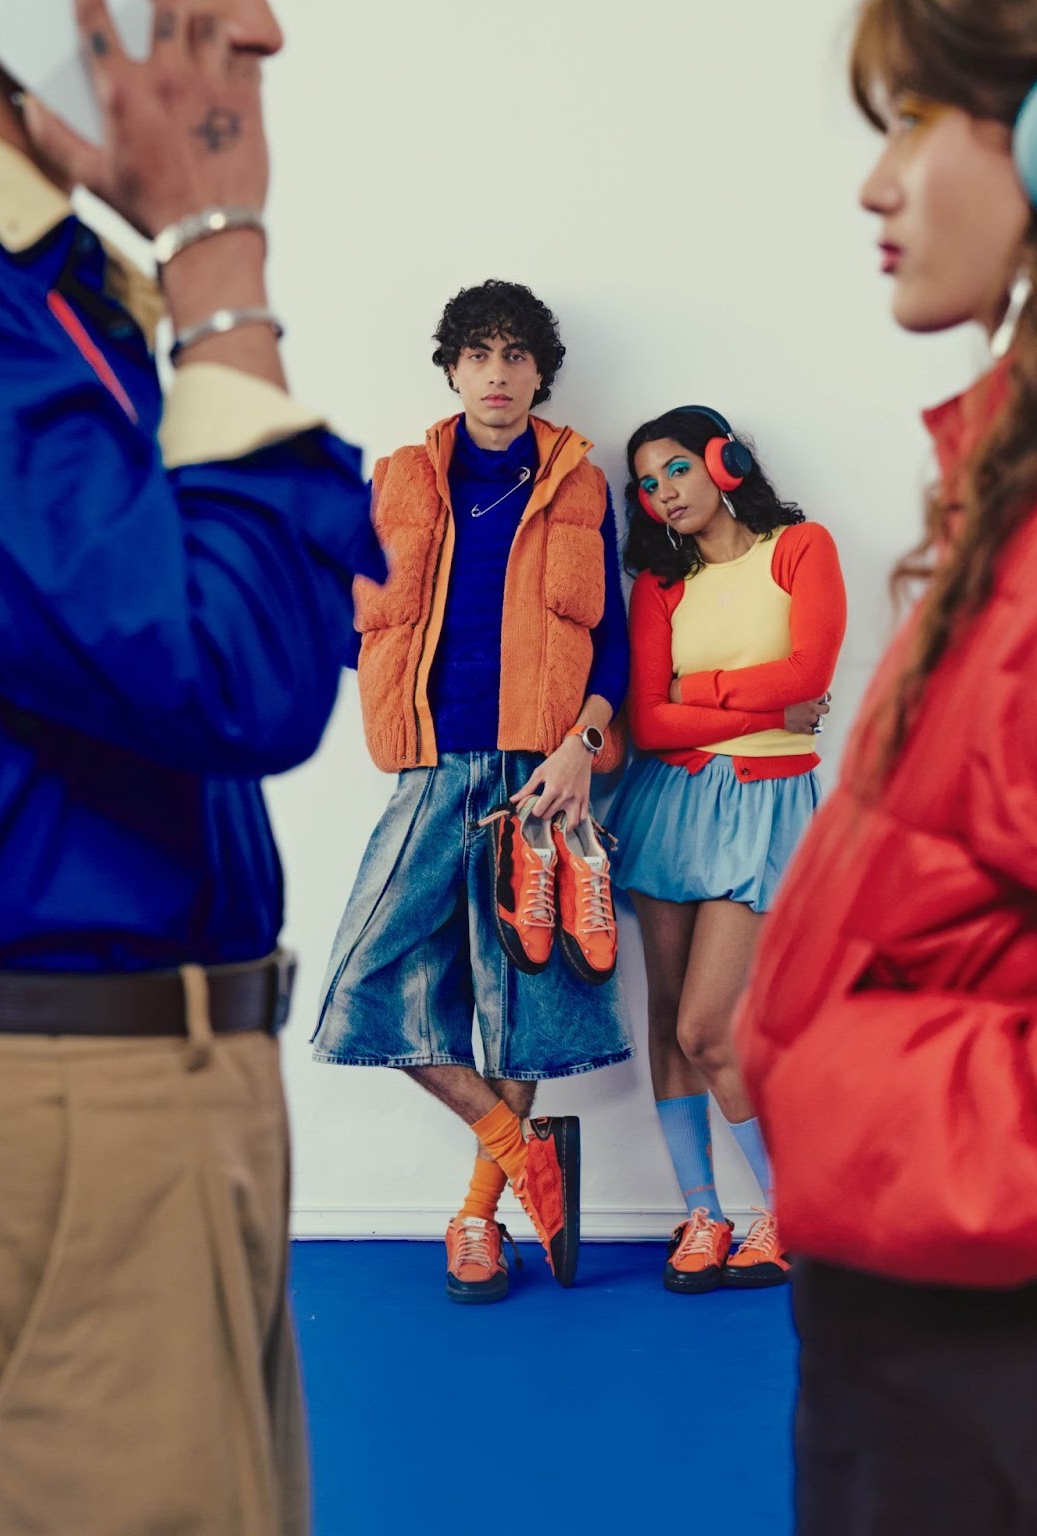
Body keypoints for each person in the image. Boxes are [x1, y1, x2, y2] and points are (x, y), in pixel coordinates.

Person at [0, 0, 384, 1533]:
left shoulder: (27, 271)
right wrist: (219, 262)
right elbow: (230, 667)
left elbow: (279, 638)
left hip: (138, 1089)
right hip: (40, 1111)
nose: (261, 25)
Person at [732, 0, 1037, 1530]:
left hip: (1030, 1357)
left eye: (918, 119)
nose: (878, 183)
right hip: (953, 1331)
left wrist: (862, 1106)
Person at [311, 278, 633, 1305]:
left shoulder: (582, 485)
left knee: (522, 997)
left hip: (542, 775)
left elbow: (613, 644)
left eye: (516, 356)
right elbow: (348, 619)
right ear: (451, 370)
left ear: (539, 374)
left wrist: (581, 744)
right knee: (365, 979)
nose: (497, 374)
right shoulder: (398, 480)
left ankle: (477, 1217)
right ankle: (520, 1148)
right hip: (432, 764)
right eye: (479, 355)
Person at [609, 405, 845, 1292]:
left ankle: (790, 1208)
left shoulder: (800, 548)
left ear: (725, 459)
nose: (664, 492)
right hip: (668, 801)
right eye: (648, 483)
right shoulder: (658, 585)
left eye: (677, 468)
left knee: (709, 1026)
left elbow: (809, 675)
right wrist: (759, 706)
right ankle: (703, 1213)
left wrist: (694, 690)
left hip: (764, 802)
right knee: (669, 1015)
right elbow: (649, 721)